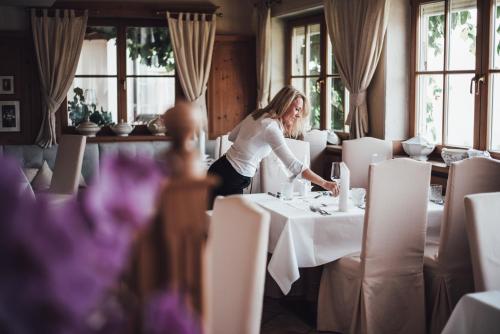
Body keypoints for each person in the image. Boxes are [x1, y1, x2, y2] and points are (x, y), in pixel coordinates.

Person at [208, 85, 339, 205]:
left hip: (222, 169)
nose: (298, 115)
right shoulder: (271, 127)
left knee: (219, 224)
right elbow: (293, 165)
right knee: (227, 227)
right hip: (230, 178)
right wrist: (325, 183)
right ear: (285, 104)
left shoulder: (257, 114)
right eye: (297, 109)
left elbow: (232, 137)